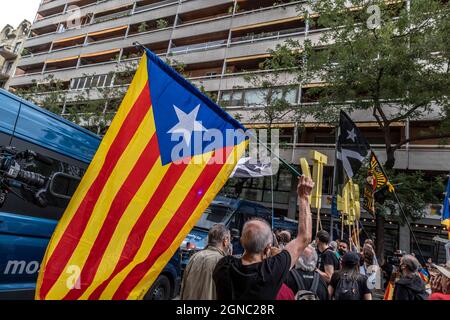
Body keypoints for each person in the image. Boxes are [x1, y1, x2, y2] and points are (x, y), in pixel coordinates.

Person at [213, 176, 314, 300]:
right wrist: (303, 197)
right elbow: (304, 238)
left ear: (241, 241)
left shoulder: (223, 266)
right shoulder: (272, 271)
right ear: (267, 249)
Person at [180, 224, 232, 300]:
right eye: (229, 240)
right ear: (225, 240)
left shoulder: (195, 257)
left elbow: (183, 287)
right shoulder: (223, 262)